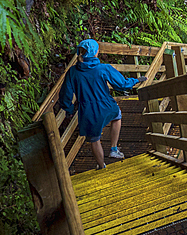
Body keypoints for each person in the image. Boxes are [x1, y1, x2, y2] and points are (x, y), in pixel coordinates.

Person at [58, 39, 138, 169]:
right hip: (107, 105)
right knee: (117, 116)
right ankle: (113, 149)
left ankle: (101, 166)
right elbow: (121, 85)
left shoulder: (73, 72)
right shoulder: (103, 68)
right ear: (96, 53)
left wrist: (69, 109)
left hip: (87, 111)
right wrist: (136, 80)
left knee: (94, 139)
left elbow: (65, 94)